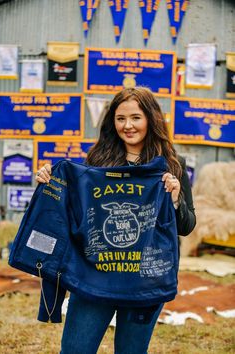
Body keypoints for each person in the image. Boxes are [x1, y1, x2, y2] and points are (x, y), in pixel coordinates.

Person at [35, 87, 196, 354]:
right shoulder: (97, 162)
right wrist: (50, 181)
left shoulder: (172, 164)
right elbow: (73, 210)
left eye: (135, 117)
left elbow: (187, 225)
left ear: (151, 119)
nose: (128, 125)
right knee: (76, 350)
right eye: (120, 118)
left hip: (145, 281)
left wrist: (176, 199)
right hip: (95, 276)